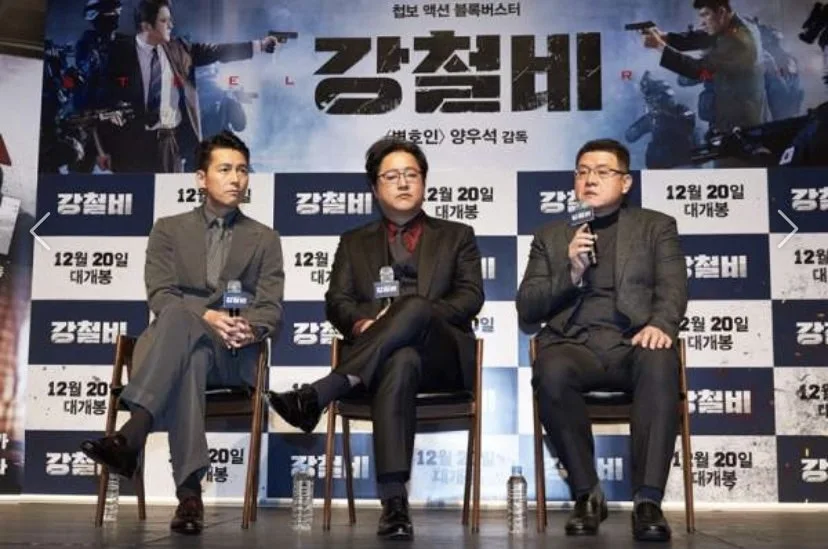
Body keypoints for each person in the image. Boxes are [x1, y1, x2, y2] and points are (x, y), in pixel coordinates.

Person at [267, 137, 484, 541]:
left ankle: (323, 391)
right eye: (392, 176)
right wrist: (366, 326)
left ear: (424, 182)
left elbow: (470, 297)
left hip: (443, 360)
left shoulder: (457, 235)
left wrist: (414, 314)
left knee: (413, 307)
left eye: (411, 174)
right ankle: (394, 503)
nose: (403, 182)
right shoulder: (354, 242)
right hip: (382, 366)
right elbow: (338, 302)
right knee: (401, 359)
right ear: (374, 187)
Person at [79, 131, 285, 535]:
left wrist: (249, 328)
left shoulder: (265, 238)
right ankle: (189, 496)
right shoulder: (168, 230)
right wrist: (206, 316)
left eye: (242, 170)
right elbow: (160, 294)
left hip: (231, 354)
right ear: (201, 178)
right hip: (180, 348)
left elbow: (270, 307)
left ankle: (133, 433)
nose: (236, 179)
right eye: (225, 169)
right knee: (186, 345)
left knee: (182, 325)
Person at [516, 139, 687, 542]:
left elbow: (673, 287)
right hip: (574, 345)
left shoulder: (655, 226)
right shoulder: (551, 236)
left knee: (660, 359)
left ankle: (648, 501)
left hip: (632, 344)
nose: (590, 179)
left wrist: (661, 324)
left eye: (602, 171)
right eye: (582, 171)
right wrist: (571, 272)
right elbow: (528, 306)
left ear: (625, 182)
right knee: (551, 369)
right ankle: (587, 493)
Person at [97, 0, 282, 173]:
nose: (171, 25)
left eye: (170, 20)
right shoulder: (118, 53)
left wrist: (259, 46)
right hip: (131, 144)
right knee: (136, 195)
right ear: (146, 26)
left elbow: (217, 51)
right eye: (164, 21)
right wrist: (101, 149)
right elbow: (102, 101)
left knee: (169, 194)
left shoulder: (180, 49)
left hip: (169, 143)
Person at [643, 0, 767, 133]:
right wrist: (665, 37)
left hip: (740, 124)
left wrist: (660, 46)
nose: (702, 22)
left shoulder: (737, 41)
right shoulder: (734, 26)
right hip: (736, 117)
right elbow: (702, 37)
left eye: (706, 15)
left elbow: (697, 69)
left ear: (721, 12)